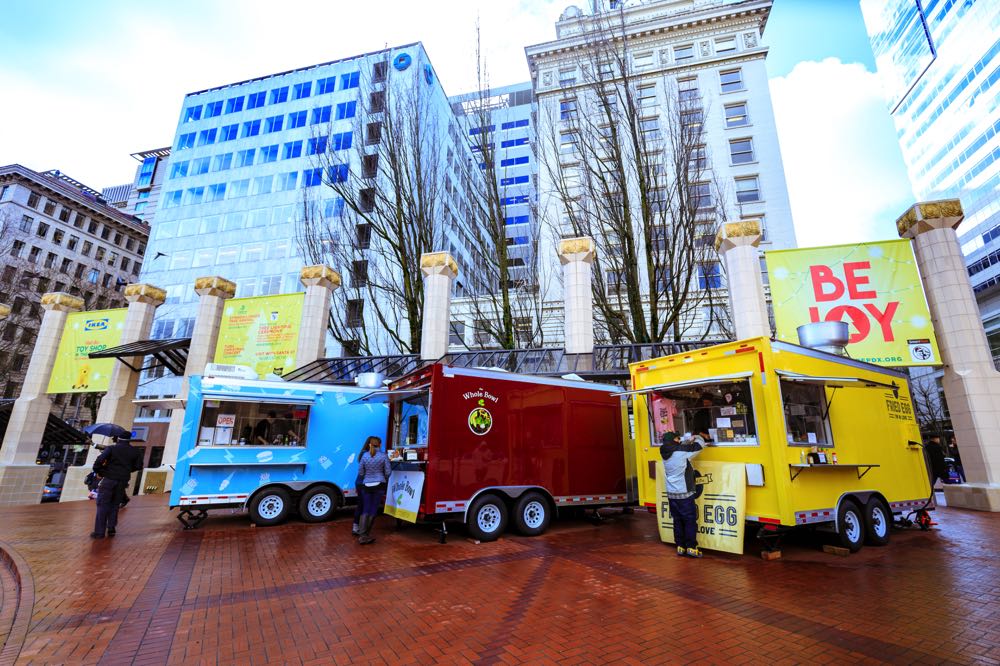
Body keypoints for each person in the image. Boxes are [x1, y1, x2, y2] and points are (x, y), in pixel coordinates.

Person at [660, 429, 706, 558]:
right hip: (684, 493)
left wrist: (686, 441)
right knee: (690, 521)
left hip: (671, 493)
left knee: (677, 520)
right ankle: (691, 548)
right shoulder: (681, 452)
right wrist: (698, 436)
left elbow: (680, 447)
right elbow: (699, 446)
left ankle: (680, 546)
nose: (679, 440)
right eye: (677, 439)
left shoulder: (664, 451)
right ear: (674, 441)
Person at [91, 436, 143, 538]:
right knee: (115, 505)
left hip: (109, 479)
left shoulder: (111, 448)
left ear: (118, 439)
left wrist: (101, 471)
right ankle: (111, 528)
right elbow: (138, 466)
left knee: (102, 505)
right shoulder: (135, 451)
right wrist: (127, 470)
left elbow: (98, 462)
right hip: (122, 481)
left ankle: (99, 532)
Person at [355, 435, 391, 545]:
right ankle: (366, 535)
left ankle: (361, 535)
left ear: (369, 444)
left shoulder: (365, 456)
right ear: (379, 444)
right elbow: (388, 471)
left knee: (365, 509)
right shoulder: (383, 456)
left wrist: (368, 476)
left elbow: (361, 472)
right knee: (373, 510)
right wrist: (384, 478)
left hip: (366, 485)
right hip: (379, 485)